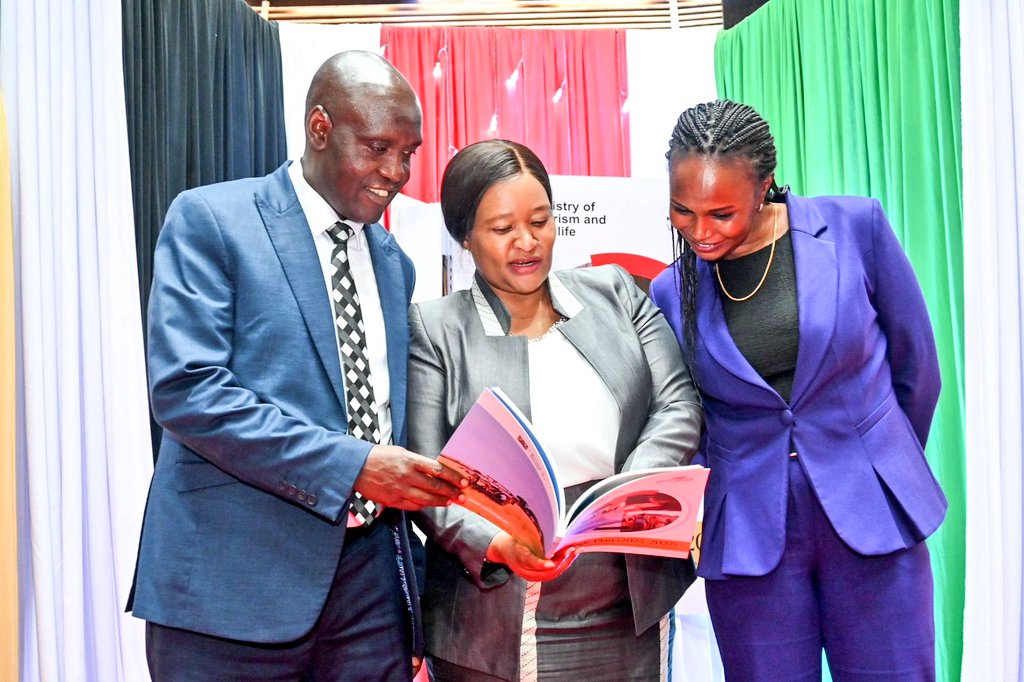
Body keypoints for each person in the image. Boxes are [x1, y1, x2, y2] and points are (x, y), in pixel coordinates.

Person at [130, 50, 466, 680]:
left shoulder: (394, 263)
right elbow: (187, 391)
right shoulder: (213, 219)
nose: (397, 171)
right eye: (377, 146)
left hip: (371, 599)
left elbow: (388, 422)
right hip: (229, 597)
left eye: (409, 152)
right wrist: (354, 466)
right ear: (319, 128)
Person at [648, 99, 947, 680]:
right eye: (682, 211)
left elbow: (917, 368)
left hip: (872, 513)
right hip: (751, 541)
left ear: (764, 186)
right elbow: (690, 419)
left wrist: (878, 461)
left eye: (722, 213)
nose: (701, 232)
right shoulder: (669, 291)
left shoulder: (854, 228)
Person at [408, 139, 703, 681]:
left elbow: (678, 402)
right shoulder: (435, 329)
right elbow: (425, 474)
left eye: (541, 221)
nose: (528, 242)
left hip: (625, 591)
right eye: (502, 229)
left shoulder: (615, 292)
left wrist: (626, 496)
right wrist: (494, 541)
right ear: (465, 236)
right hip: (493, 606)